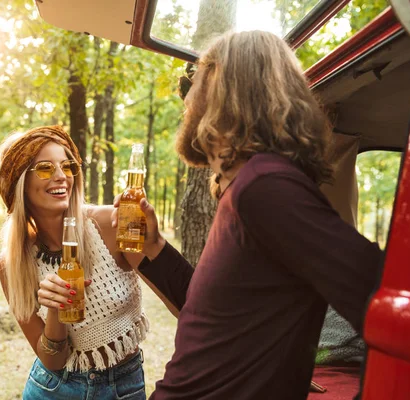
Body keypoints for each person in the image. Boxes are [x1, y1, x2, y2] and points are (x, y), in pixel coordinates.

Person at [113, 31, 383, 399]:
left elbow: (376, 292)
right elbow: (212, 315)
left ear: (228, 88)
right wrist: (156, 246)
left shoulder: (265, 186)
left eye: (197, 75)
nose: (187, 92)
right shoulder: (246, 188)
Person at [0, 125, 148, 400]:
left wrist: (153, 238)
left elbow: (176, 290)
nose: (61, 177)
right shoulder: (12, 264)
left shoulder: (108, 224)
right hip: (53, 389)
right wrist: (55, 310)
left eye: (67, 167)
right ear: (19, 183)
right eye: (45, 168)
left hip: (123, 386)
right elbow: (52, 361)